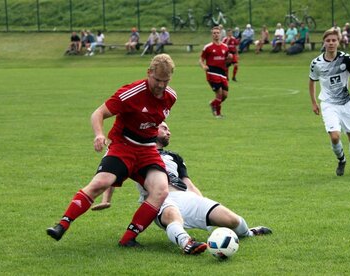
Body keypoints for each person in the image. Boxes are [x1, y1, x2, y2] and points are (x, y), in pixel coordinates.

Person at [46, 54, 178, 247]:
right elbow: (98, 113)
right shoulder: (131, 93)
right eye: (157, 80)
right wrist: (99, 134)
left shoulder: (171, 97)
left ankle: (128, 239)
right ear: (149, 73)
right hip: (123, 146)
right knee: (102, 182)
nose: (160, 85)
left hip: (148, 150)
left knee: (161, 190)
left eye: (165, 81)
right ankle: (62, 224)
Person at [92, 122, 273, 255]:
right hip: (158, 199)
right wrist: (106, 199)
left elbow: (189, 184)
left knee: (232, 220)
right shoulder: (137, 152)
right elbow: (113, 174)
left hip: (185, 196)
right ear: (152, 128)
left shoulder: (174, 157)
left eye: (169, 129)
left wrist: (202, 204)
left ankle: (248, 233)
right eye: (164, 127)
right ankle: (187, 243)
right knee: (172, 216)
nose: (168, 131)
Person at [309, 28, 350, 176]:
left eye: (334, 40)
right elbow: (312, 81)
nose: (331, 43)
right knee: (335, 136)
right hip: (328, 103)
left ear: (338, 42)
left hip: (346, 102)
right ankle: (341, 160)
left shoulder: (345, 59)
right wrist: (314, 103)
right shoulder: (316, 63)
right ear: (324, 42)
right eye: (328, 40)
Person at [199, 26, 231, 119]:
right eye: (214, 33)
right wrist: (203, 66)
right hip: (212, 73)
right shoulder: (208, 47)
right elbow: (201, 59)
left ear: (220, 34)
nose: (216, 34)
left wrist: (229, 59)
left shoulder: (225, 47)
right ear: (212, 34)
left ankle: (213, 104)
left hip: (222, 73)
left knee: (225, 95)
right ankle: (218, 114)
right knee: (219, 93)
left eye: (217, 33)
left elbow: (226, 60)